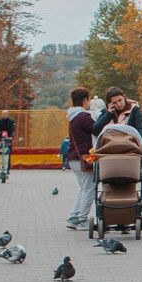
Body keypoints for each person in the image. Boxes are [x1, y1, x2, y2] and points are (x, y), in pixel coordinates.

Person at [65, 88, 95, 230]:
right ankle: (82, 218)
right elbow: (96, 128)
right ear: (85, 100)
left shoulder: (72, 116)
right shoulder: (83, 117)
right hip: (82, 158)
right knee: (89, 189)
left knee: (82, 189)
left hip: (73, 158)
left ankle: (74, 217)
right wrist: (107, 115)